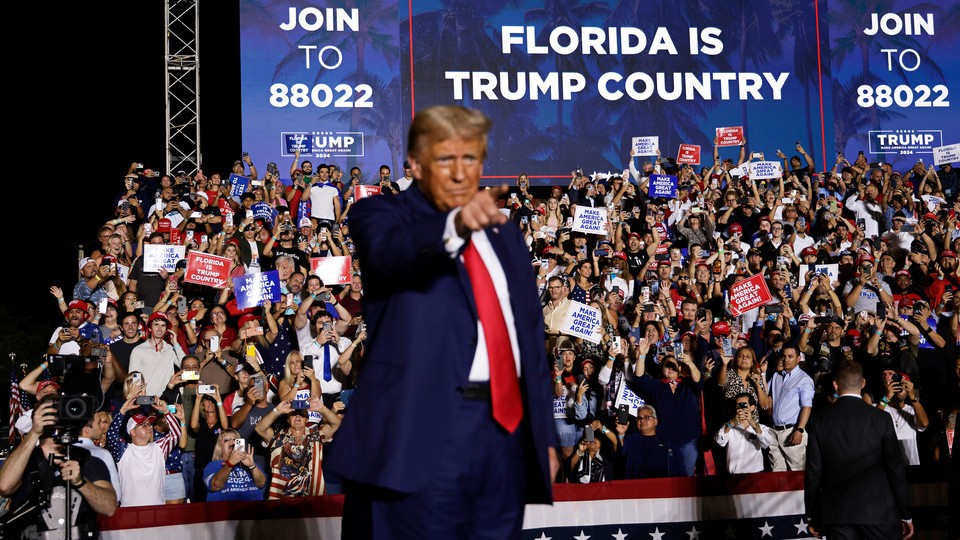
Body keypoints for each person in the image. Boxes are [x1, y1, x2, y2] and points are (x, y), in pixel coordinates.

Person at [326, 105, 558, 539]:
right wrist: (453, 225)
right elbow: (392, 254)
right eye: (444, 158)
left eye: (468, 158)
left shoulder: (504, 232)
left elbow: (528, 339)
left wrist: (541, 437)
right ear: (414, 163)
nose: (459, 172)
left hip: (502, 438)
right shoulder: (380, 216)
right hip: (419, 433)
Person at [805, 360, 914, 540]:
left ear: (835, 385)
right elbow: (895, 468)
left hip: (837, 514)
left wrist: (812, 514)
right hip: (879, 512)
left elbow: (813, 471)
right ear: (863, 383)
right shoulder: (881, 418)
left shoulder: (819, 419)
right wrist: (905, 513)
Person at [0, 399, 117, 539]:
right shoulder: (23, 462)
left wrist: (81, 483)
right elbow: (4, 486)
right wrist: (34, 432)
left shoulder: (88, 461)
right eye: (49, 411)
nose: (55, 417)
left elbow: (109, 507)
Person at [106, 396, 183, 507]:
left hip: (157, 510)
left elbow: (176, 434)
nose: (149, 427)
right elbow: (111, 435)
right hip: (130, 511)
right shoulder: (123, 450)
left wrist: (166, 411)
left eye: (149, 424)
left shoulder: (159, 448)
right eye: (144, 425)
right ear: (132, 432)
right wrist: (122, 411)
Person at [766, 345, 815, 471]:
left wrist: (799, 430)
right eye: (784, 356)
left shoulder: (804, 379)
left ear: (798, 359)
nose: (786, 359)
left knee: (798, 473)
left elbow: (807, 407)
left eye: (790, 356)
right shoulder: (776, 376)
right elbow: (765, 394)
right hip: (774, 431)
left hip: (792, 431)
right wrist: (761, 373)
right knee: (776, 474)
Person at [714, 393, 773, 474]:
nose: (741, 408)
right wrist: (731, 423)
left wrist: (753, 423)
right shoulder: (729, 427)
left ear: (752, 407)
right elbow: (719, 441)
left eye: (744, 405)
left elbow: (766, 443)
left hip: (754, 475)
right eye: (738, 405)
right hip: (733, 475)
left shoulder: (761, 428)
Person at [203, 428, 268, 502]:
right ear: (220, 448)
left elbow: (261, 483)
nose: (231, 441)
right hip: (226, 511)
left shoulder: (250, 464)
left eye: (235, 439)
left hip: (252, 511)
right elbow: (216, 485)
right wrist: (230, 463)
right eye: (226, 440)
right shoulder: (213, 465)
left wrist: (252, 466)